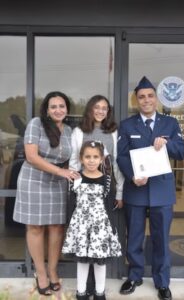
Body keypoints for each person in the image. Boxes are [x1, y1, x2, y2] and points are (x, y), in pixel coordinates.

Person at [117, 76, 184, 300]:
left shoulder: (170, 123)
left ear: (156, 98)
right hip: (136, 189)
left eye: (150, 96)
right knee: (134, 237)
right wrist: (132, 175)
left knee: (161, 239)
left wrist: (167, 144)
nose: (146, 100)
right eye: (141, 97)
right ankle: (135, 276)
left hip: (162, 191)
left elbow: (182, 151)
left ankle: (162, 282)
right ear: (136, 101)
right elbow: (121, 156)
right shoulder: (127, 125)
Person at [13, 91, 80, 296]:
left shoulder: (69, 130)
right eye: (53, 107)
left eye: (61, 106)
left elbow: (73, 158)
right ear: (47, 110)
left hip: (58, 182)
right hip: (34, 179)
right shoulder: (36, 124)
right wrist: (61, 171)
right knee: (35, 227)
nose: (58, 110)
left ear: (67, 109)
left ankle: (52, 271)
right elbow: (31, 156)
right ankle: (40, 273)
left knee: (57, 227)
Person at [69, 94, 124, 295]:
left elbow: (116, 163)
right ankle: (84, 289)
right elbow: (74, 162)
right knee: (84, 239)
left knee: (100, 239)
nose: (101, 111)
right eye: (97, 107)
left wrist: (119, 191)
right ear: (90, 109)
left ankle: (98, 290)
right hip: (83, 191)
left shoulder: (113, 132)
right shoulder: (79, 131)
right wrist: (75, 187)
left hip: (106, 190)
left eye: (105, 108)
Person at [62, 140, 122, 300]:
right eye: (87, 156)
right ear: (81, 158)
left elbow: (109, 206)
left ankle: (99, 293)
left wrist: (112, 228)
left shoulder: (107, 180)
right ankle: (81, 292)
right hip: (81, 226)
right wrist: (70, 226)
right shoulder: (75, 178)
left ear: (102, 159)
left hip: (100, 227)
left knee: (99, 261)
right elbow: (71, 203)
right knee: (82, 261)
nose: (91, 160)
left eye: (95, 157)